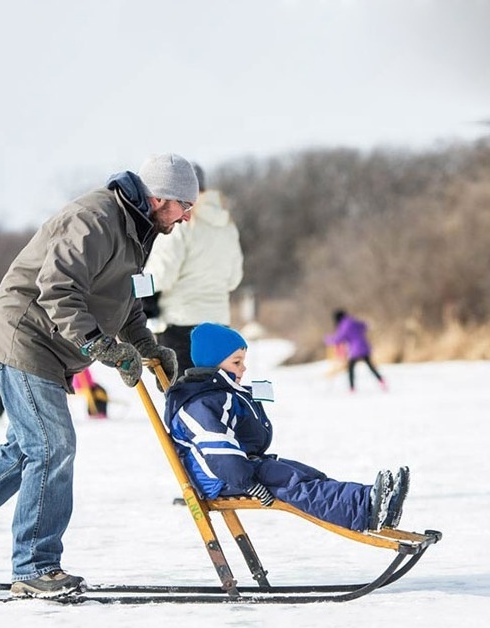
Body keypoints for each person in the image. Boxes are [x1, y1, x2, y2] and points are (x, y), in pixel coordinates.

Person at [0, 153, 199, 597]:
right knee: (52, 446)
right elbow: (57, 291)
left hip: (52, 347)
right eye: (183, 206)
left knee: (26, 450)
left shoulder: (140, 229)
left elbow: (126, 300)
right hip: (25, 336)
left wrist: (147, 345)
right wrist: (102, 347)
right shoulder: (94, 219)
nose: (188, 216)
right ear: (158, 198)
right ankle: (35, 566)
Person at [163, 323, 410, 532]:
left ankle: (370, 502)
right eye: (237, 362)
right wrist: (248, 483)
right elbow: (218, 450)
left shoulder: (219, 394)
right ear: (214, 364)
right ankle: (365, 509)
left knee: (305, 474)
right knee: (292, 483)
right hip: (222, 478)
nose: (243, 368)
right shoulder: (199, 403)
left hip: (239, 469)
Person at [142, 163, 243, 374]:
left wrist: (138, 289)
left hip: (181, 324)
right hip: (219, 325)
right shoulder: (227, 224)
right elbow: (234, 279)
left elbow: (161, 274)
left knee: (182, 396)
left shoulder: (181, 222)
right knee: (215, 396)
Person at [324, 310, 387, 392]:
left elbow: (339, 338)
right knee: (370, 366)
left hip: (355, 350)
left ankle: (352, 388)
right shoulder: (354, 321)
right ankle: (381, 380)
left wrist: (328, 339)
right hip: (365, 346)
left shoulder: (344, 325)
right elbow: (365, 325)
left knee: (351, 368)